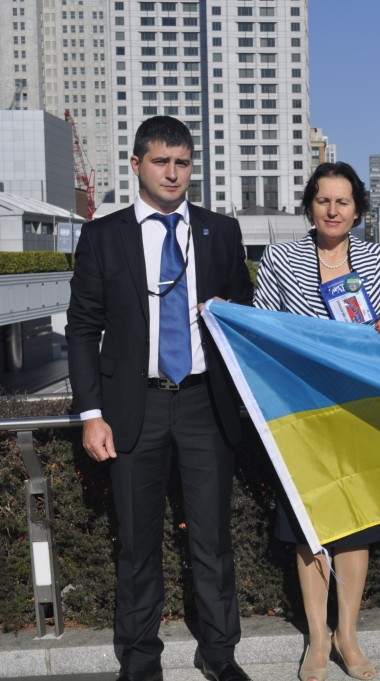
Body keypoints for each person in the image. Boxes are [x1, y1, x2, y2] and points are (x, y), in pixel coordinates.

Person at [66, 116, 254, 681]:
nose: (173, 173)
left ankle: (220, 654)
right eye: (161, 162)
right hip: (133, 407)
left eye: (182, 163)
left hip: (204, 404)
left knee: (213, 540)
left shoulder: (221, 231)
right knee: (137, 543)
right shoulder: (104, 235)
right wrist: (91, 413)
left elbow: (243, 314)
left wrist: (227, 310)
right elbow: (82, 328)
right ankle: (140, 660)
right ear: (136, 165)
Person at [254, 162, 380, 681]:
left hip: (360, 410)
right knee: (310, 526)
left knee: (357, 524)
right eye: (323, 200)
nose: (333, 210)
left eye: (343, 201)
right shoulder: (280, 258)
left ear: (358, 209)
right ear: (309, 206)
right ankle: (318, 638)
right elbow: (261, 327)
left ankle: (348, 635)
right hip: (300, 411)